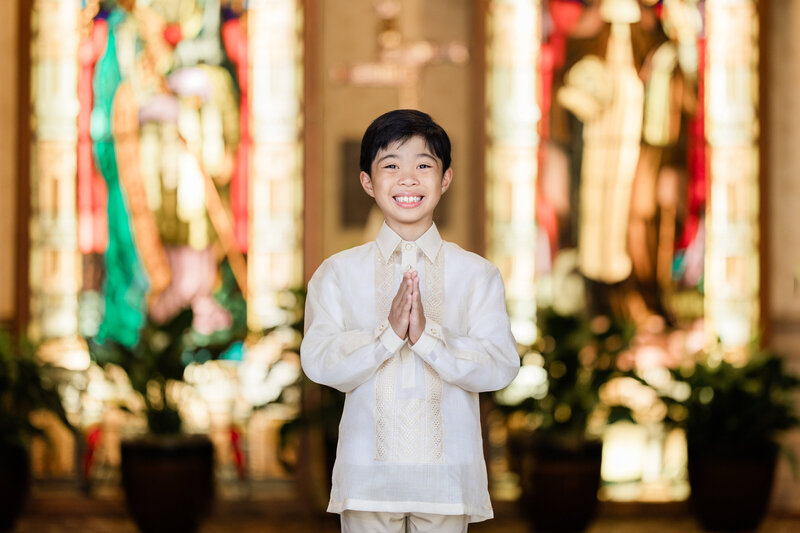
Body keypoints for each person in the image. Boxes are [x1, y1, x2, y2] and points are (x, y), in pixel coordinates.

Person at [300, 109, 520, 532]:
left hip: (448, 479)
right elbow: (318, 361)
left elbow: (501, 366)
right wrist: (386, 337)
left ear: (446, 179)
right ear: (367, 181)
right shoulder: (338, 272)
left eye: (423, 165)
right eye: (391, 165)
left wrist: (427, 337)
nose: (408, 179)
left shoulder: (477, 274)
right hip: (366, 475)